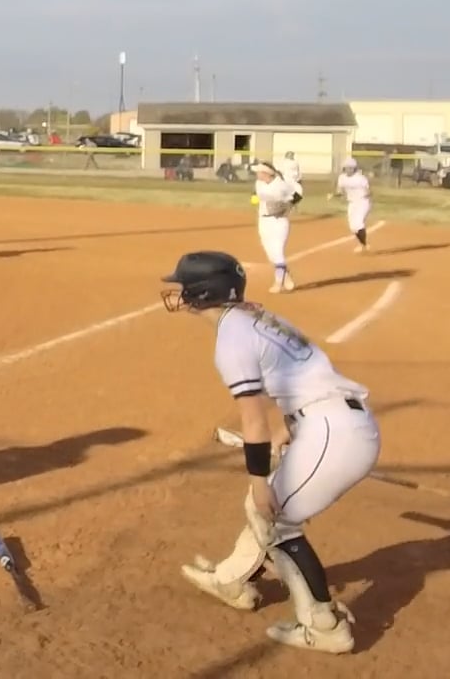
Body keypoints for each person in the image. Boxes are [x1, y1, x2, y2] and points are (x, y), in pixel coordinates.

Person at [162, 251, 377, 654]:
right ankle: (232, 579)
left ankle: (324, 625)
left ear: (200, 293)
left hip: (335, 432)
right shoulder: (255, 316)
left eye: (183, 286)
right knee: (262, 509)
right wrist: (290, 427)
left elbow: (253, 419)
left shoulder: (231, 339)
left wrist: (259, 479)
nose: (178, 292)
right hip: (330, 421)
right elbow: (302, 371)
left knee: (274, 519)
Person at [251, 162, 299, 292]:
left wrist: (287, 207)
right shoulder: (259, 183)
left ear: (266, 173)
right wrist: (254, 198)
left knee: (277, 252)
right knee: (270, 254)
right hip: (263, 221)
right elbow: (255, 194)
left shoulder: (281, 185)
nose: (257, 174)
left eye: (259, 172)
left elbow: (297, 196)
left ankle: (278, 283)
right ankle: (285, 275)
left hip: (279, 222)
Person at [329, 157, 372, 252]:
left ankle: (364, 245)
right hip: (352, 203)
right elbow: (340, 192)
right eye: (346, 167)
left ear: (354, 168)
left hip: (362, 202)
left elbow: (368, 191)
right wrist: (333, 195)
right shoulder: (342, 178)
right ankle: (362, 245)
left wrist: (367, 194)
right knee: (353, 227)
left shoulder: (360, 178)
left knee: (358, 223)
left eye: (350, 168)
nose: (348, 169)